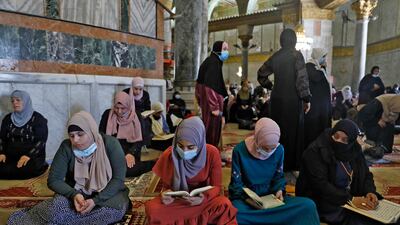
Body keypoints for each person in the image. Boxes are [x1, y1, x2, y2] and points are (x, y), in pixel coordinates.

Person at [8, 111, 129, 224]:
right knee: (55, 210)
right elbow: (54, 179)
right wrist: (74, 194)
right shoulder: (66, 146)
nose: (75, 140)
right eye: (72, 136)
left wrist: (95, 201)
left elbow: (118, 180)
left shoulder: (110, 144)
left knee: (110, 213)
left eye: (80, 134)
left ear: (91, 131)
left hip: (108, 195)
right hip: (76, 194)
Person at [145, 117, 238, 225]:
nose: (184, 151)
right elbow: (167, 188)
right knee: (153, 209)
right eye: (180, 146)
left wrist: (203, 198)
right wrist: (166, 195)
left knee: (224, 205)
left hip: (203, 201)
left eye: (191, 147)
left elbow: (216, 187)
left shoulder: (211, 153)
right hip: (178, 201)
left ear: (200, 143)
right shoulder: (170, 155)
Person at [296, 119, 389, 225]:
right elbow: (320, 185)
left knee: (386, 218)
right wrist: (350, 199)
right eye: (336, 136)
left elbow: (366, 174)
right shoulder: (315, 151)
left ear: (351, 141)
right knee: (360, 221)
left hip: (348, 195)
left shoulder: (354, 150)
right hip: (322, 199)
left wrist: (369, 191)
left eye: (345, 140)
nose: (339, 141)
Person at [229, 118, 320, 225]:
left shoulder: (279, 150)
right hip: (246, 201)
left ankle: (265, 219)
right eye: (265, 148)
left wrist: (279, 191)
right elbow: (236, 184)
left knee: (308, 205)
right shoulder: (240, 151)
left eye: (272, 148)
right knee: (234, 214)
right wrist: (249, 200)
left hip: (270, 199)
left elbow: (278, 176)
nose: (269, 152)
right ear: (257, 139)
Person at [257, 28, 311, 172]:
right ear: (294, 40)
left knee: (278, 131)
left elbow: (261, 74)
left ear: (281, 40)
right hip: (293, 100)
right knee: (294, 133)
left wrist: (271, 86)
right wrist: (306, 98)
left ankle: (276, 163)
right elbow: (302, 80)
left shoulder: (276, 56)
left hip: (277, 100)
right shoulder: (297, 55)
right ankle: (291, 164)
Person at [99, 91, 155, 177]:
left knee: (127, 170)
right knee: (106, 171)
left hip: (130, 151)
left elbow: (140, 139)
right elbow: (101, 135)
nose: (119, 111)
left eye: (123, 108)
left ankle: (151, 164)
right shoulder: (107, 114)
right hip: (111, 150)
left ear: (128, 106)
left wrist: (131, 153)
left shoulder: (136, 116)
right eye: (116, 108)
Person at [0, 90, 48, 179]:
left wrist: (28, 155)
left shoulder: (38, 119)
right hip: (10, 155)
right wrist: (2, 153)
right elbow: (2, 138)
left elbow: (41, 141)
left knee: (26, 170)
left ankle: (42, 166)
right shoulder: (7, 119)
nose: (15, 103)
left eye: (18, 100)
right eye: (12, 101)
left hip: (32, 156)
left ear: (26, 101)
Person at [196, 41, 229, 147]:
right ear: (217, 49)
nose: (227, 52)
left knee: (209, 132)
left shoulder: (211, 61)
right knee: (212, 133)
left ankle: (209, 155)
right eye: (224, 49)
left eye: (227, 49)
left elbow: (200, 86)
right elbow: (210, 87)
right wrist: (215, 107)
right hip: (212, 108)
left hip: (207, 105)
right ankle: (210, 157)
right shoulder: (213, 63)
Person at [304, 48, 332, 149]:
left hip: (321, 107)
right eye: (323, 57)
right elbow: (315, 78)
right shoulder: (309, 66)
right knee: (313, 132)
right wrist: (322, 70)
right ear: (318, 56)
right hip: (315, 108)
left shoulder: (317, 67)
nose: (325, 59)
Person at [123, 77, 152, 148]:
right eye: (135, 89)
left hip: (142, 116)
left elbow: (148, 108)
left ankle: (143, 144)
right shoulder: (125, 92)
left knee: (146, 123)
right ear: (132, 87)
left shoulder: (145, 94)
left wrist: (146, 114)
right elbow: (122, 106)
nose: (138, 92)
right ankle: (134, 146)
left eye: (140, 89)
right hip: (129, 116)